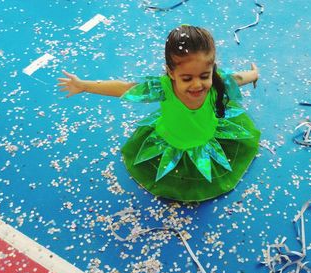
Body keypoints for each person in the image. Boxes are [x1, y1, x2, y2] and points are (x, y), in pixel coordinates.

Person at [57, 25, 260, 202]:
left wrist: (254, 74)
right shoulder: (162, 88)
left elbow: (237, 78)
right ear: (171, 73)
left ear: (212, 70)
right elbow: (123, 88)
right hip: (173, 140)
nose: (197, 84)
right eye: (187, 78)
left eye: (204, 76)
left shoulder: (216, 81)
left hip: (206, 136)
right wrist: (84, 86)